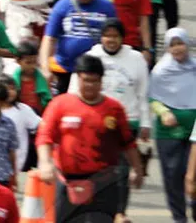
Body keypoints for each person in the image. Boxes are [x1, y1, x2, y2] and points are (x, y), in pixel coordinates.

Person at [37, 55, 144, 220]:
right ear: (78, 78)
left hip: (104, 183)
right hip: (67, 181)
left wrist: (137, 169)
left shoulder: (114, 109)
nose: (89, 85)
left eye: (94, 81)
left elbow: (128, 142)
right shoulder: (60, 105)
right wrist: (45, 163)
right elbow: (44, 137)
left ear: (101, 81)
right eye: (85, 80)